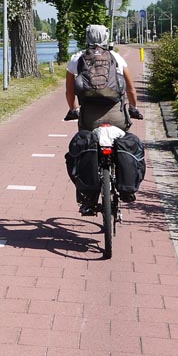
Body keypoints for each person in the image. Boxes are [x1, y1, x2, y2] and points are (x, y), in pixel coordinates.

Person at [64, 24, 143, 214]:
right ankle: (125, 186)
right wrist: (133, 108)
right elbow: (131, 89)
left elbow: (69, 91)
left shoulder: (77, 59)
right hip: (117, 117)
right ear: (106, 38)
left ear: (87, 38)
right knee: (123, 144)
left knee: (83, 150)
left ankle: (88, 199)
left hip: (89, 119)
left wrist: (73, 110)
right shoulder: (116, 57)